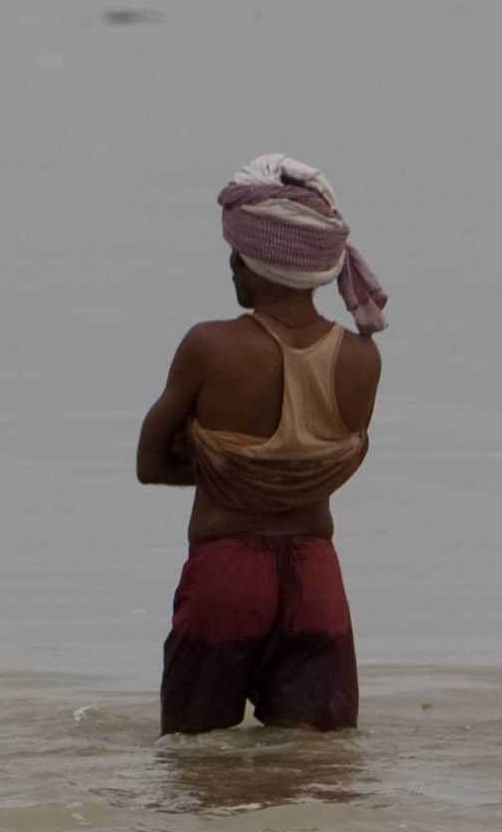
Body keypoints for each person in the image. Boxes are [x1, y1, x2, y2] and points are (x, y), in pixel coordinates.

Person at [134, 155, 389, 734]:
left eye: (238, 254)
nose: (231, 266)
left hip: (226, 575)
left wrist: (221, 468)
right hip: (318, 580)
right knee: (313, 768)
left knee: (197, 761)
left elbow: (150, 462)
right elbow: (313, 464)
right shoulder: (362, 359)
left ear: (264, 263)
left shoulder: (210, 347)